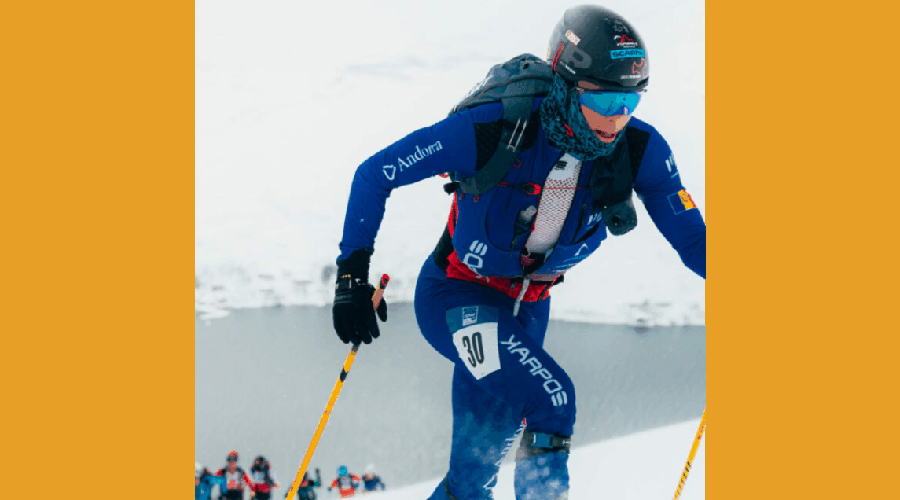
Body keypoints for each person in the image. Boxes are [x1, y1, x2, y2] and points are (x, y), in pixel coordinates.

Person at [329, 4, 705, 500]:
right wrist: (351, 278)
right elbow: (376, 174)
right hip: (456, 294)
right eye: (605, 99)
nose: (617, 117)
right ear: (567, 85)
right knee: (552, 401)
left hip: (526, 311)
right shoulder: (492, 129)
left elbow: (693, 240)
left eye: (629, 101)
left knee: (471, 482)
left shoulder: (639, 150)